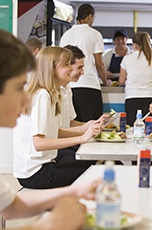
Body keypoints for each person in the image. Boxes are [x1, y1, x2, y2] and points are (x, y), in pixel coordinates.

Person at [0, 28, 101, 230]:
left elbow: (11, 207)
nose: (26, 98)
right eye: (20, 87)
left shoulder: (55, 93)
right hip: (37, 170)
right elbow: (40, 142)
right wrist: (51, 224)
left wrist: (74, 193)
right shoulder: (42, 95)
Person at [13, 46, 102, 189]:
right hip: (35, 173)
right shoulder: (42, 95)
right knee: (98, 170)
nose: (72, 69)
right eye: (67, 64)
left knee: (97, 164)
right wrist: (81, 138)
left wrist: (87, 131)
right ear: (52, 69)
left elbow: (54, 131)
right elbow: (39, 143)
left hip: (43, 167)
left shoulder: (51, 93)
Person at [59, 3, 107, 122]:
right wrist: (105, 81)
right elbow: (99, 64)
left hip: (69, 86)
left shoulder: (65, 35)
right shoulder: (94, 34)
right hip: (89, 85)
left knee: (72, 124)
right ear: (90, 16)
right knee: (92, 125)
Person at [119, 32, 152, 126]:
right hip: (149, 98)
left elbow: (121, 81)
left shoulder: (127, 59)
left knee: (132, 128)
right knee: (150, 129)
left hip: (131, 98)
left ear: (134, 45)